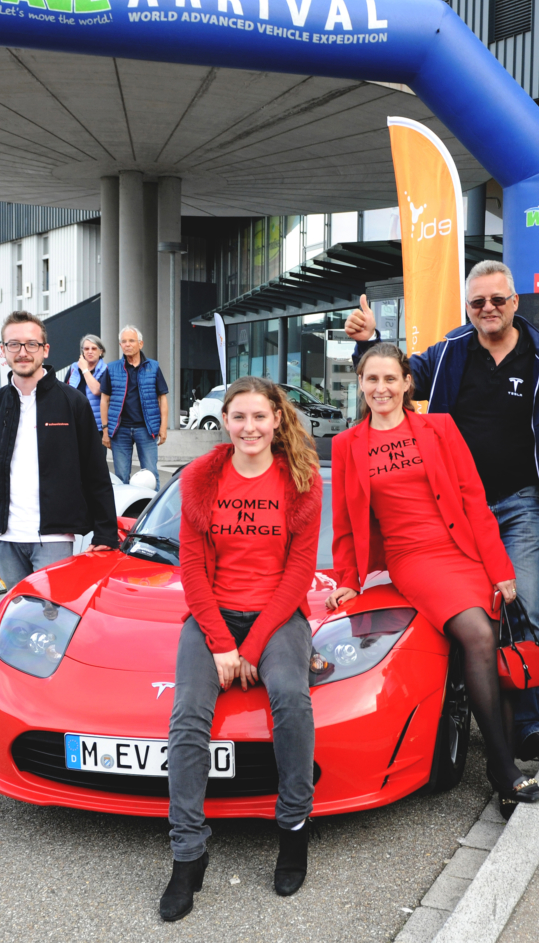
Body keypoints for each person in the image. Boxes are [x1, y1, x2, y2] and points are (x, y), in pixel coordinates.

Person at [344, 262, 539, 761]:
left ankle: (529, 724)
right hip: (451, 513)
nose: (487, 309)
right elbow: (394, 377)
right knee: (470, 616)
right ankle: (480, 711)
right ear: (467, 308)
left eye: (497, 300)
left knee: (526, 607)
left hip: (518, 504)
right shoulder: (450, 353)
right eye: (477, 302)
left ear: (515, 302)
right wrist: (368, 343)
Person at [328, 342, 539, 820]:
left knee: (494, 645)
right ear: (360, 385)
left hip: (463, 552)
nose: (380, 388)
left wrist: (500, 569)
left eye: (390, 379)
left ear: (408, 383)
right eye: (371, 379)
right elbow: (344, 522)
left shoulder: (439, 427)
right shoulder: (347, 445)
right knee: (477, 634)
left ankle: (504, 774)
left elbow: (473, 499)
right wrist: (348, 579)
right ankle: (504, 769)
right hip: (413, 559)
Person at [162, 377, 322, 921]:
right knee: (186, 717)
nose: (249, 427)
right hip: (213, 616)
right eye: (239, 418)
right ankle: (188, 855)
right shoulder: (200, 479)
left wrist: (249, 648)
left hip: (277, 617)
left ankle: (294, 829)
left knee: (290, 699)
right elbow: (189, 568)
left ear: (276, 419)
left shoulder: (300, 479)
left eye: (259, 417)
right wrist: (221, 643)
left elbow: (299, 574)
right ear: (224, 421)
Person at [0, 311, 118, 587]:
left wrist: (105, 533)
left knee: (53, 617)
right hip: (7, 539)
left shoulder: (73, 403)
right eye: (14, 344)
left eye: (31, 344)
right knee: (19, 617)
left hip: (54, 539)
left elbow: (95, 471)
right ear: (4, 351)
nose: (22, 352)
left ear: (45, 350)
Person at [99, 326, 169, 483]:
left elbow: (162, 398)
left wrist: (163, 427)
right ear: (120, 345)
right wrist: (105, 430)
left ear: (141, 344)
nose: (127, 344)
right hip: (120, 430)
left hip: (146, 429)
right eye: (123, 341)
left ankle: (151, 507)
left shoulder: (153, 367)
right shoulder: (111, 368)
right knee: (121, 477)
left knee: (151, 476)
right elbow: (104, 400)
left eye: (131, 340)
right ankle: (124, 508)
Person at [62, 334, 106, 430]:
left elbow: (97, 390)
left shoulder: (105, 370)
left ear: (101, 352)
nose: (90, 352)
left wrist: (85, 370)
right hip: (75, 422)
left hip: (95, 425)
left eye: (94, 348)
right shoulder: (74, 368)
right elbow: (64, 391)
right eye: (86, 349)